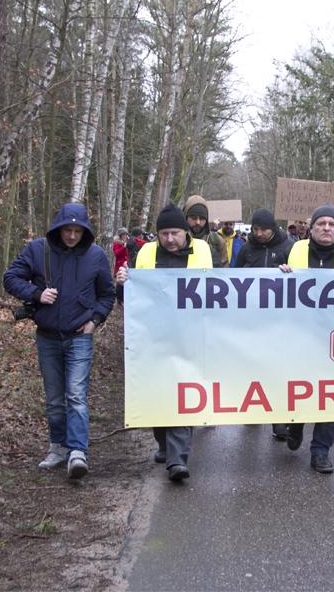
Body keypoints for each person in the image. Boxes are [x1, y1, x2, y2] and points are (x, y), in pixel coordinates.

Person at [3, 203, 116, 480]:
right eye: (67, 229)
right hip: (47, 337)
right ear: (58, 227)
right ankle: (57, 447)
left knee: (76, 396)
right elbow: (10, 278)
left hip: (80, 337)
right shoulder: (37, 250)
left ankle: (78, 452)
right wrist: (36, 293)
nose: (72, 236)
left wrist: (96, 320)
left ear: (85, 231)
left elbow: (107, 293)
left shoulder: (96, 255)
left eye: (78, 230)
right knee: (54, 399)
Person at [116, 203, 213, 481]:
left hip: (192, 337)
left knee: (184, 392)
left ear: (186, 233)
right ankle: (164, 445)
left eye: (175, 233)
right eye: (164, 234)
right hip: (153, 338)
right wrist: (123, 283)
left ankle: (177, 459)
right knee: (159, 394)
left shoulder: (205, 251)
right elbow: (127, 301)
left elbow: (225, 290)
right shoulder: (145, 253)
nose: (170, 239)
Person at [278, 203, 334, 473]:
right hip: (299, 335)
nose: (326, 228)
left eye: (331, 225)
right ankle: (296, 424)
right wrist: (282, 273)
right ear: (310, 229)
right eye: (321, 224)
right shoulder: (296, 249)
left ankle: (321, 451)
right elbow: (277, 286)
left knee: (331, 393)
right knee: (300, 386)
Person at [234, 208, 295, 441]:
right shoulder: (246, 249)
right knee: (253, 366)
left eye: (263, 229)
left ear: (273, 228)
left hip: (281, 321)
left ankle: (279, 420)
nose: (258, 233)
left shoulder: (288, 247)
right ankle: (253, 409)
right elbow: (235, 279)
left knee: (278, 369)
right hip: (253, 319)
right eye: (255, 229)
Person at [182, 195, 227, 267]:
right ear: (186, 217)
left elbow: (224, 272)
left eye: (202, 218)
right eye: (193, 218)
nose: (198, 222)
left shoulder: (216, 241)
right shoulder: (177, 241)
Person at [113, 228, 130, 305]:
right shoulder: (116, 243)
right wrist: (124, 247)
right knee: (119, 284)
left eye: (126, 234)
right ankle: (118, 298)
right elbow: (117, 253)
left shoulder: (128, 242)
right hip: (120, 266)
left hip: (127, 265)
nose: (125, 236)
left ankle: (124, 298)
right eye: (123, 235)